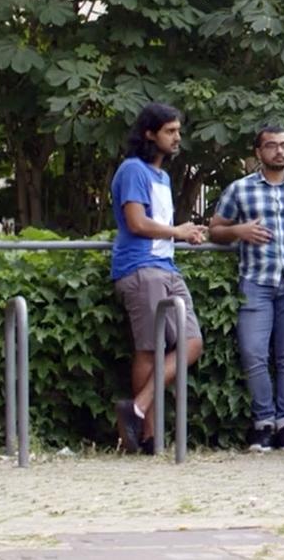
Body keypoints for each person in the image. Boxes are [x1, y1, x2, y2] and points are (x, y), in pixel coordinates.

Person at [208, 125, 284, 453]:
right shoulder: (240, 190)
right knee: (253, 353)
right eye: (272, 146)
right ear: (258, 152)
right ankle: (263, 423)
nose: (279, 151)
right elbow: (214, 230)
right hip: (256, 281)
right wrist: (239, 230)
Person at [110, 102, 207, 454]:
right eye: (170, 131)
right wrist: (177, 232)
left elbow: (162, 227)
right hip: (140, 268)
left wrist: (185, 233)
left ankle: (135, 409)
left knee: (191, 343)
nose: (177, 138)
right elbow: (136, 223)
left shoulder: (162, 177)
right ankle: (147, 437)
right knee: (149, 350)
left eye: (178, 131)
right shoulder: (132, 170)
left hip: (166, 268)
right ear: (150, 134)